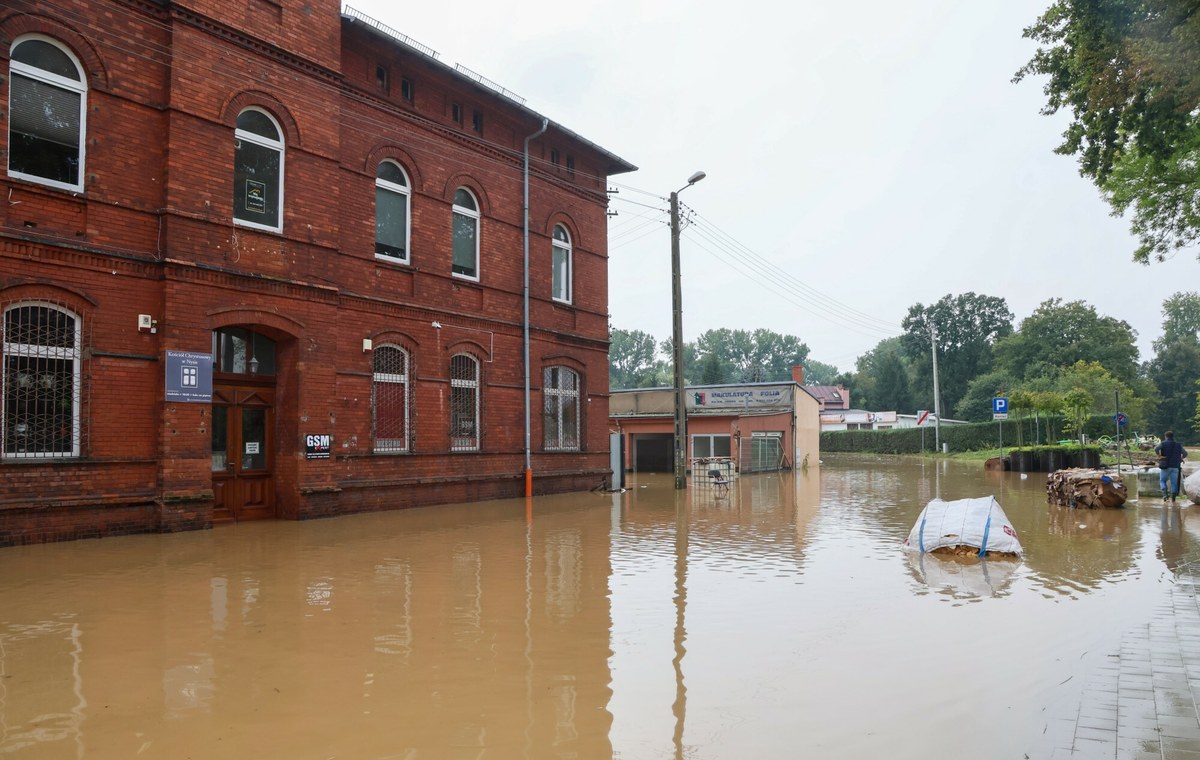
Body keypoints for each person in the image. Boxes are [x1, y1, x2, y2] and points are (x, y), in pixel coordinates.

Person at [1155, 431, 1189, 502]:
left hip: (1165, 465)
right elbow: (1185, 453)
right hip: (1176, 466)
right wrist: (1181, 458)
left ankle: (1165, 495)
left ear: (1165, 436)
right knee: (1174, 483)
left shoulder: (1163, 444)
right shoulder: (1178, 445)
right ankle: (1173, 498)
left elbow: (1156, 449)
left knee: (1162, 481)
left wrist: (1159, 456)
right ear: (1172, 436)